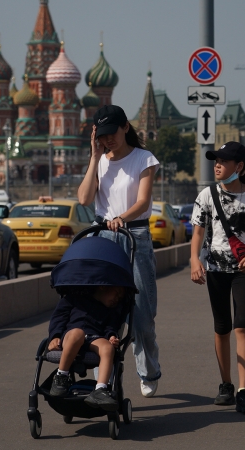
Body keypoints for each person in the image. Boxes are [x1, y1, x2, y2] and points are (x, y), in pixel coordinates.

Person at [77, 104, 162, 397]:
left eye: (112, 133)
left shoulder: (144, 159)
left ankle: (149, 370)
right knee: (102, 310)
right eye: (102, 135)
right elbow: (85, 198)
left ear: (126, 127)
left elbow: (143, 202)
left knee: (142, 315)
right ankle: (103, 376)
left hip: (134, 235)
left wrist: (121, 219)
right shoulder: (100, 160)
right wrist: (94, 157)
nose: (108, 140)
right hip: (103, 238)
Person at [189, 142, 245, 414]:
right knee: (222, 327)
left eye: (223, 162)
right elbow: (198, 232)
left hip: (243, 270)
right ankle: (225, 384)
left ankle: (244, 390)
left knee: (242, 325)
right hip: (215, 269)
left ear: (239, 167)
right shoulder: (206, 195)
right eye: (216, 161)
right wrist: (194, 260)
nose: (217, 165)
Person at [47, 286, 124, 410]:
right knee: (78, 334)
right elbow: (58, 319)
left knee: (108, 348)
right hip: (71, 337)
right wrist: (55, 336)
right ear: (103, 287)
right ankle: (61, 377)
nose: (117, 299)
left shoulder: (111, 310)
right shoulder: (73, 299)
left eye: (120, 297)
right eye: (117, 293)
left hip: (94, 338)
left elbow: (110, 327)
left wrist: (111, 336)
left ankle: (100, 389)